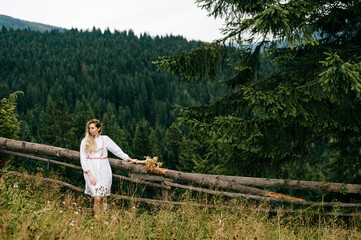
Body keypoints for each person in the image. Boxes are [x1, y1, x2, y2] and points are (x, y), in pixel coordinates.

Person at [80, 119, 133, 214]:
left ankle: (104, 217)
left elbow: (116, 150)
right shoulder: (85, 141)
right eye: (89, 128)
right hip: (92, 170)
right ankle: (97, 218)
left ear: (98, 128)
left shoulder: (105, 139)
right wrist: (89, 173)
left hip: (104, 169)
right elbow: (83, 158)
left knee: (104, 197)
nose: (90, 130)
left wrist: (127, 158)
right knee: (97, 197)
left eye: (92, 128)